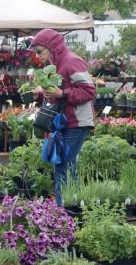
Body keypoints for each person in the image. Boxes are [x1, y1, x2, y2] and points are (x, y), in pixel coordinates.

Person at [30, 29, 95, 206]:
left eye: (39, 51)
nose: (38, 56)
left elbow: (88, 90)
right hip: (63, 123)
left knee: (63, 166)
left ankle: (64, 214)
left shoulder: (72, 61)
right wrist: (42, 95)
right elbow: (57, 96)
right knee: (66, 167)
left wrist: (61, 93)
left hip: (77, 122)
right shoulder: (53, 65)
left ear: (52, 47)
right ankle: (72, 212)